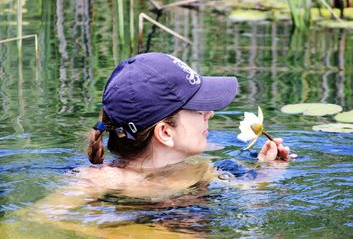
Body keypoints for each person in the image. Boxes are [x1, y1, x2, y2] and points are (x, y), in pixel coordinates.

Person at [82, 52, 295, 199]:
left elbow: (253, 194)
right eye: (198, 108)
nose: (210, 114)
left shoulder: (202, 171)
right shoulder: (103, 180)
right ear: (165, 132)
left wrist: (268, 168)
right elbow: (51, 221)